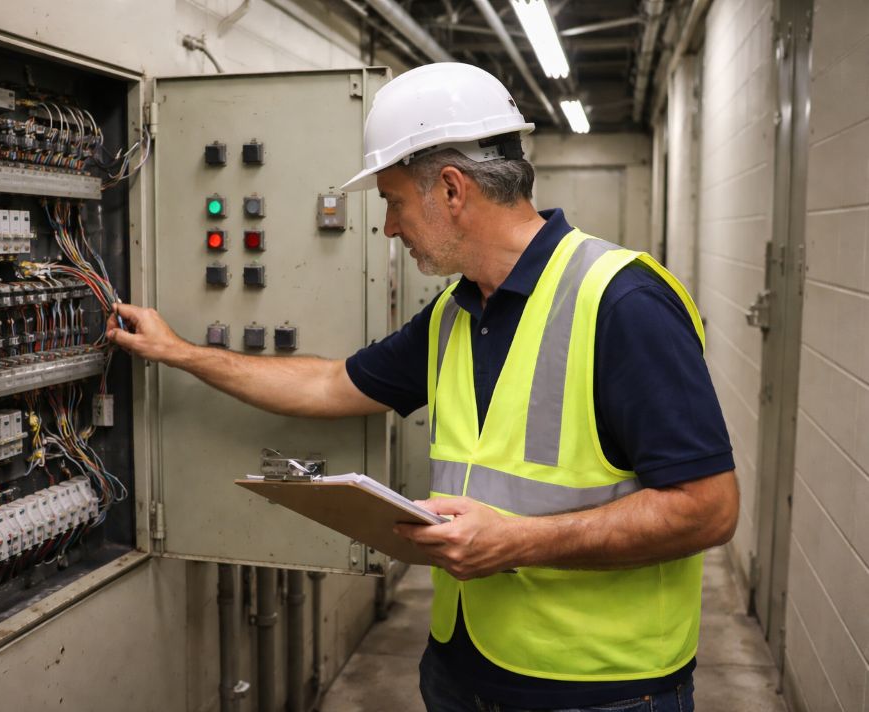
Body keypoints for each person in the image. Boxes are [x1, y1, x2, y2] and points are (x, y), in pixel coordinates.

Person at [107, 63, 738, 712]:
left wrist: (518, 541)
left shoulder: (623, 301)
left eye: (393, 201)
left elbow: (709, 507)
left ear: (452, 190)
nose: (387, 228)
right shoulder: (455, 313)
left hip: (601, 689)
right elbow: (330, 385)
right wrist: (177, 352)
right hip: (461, 670)